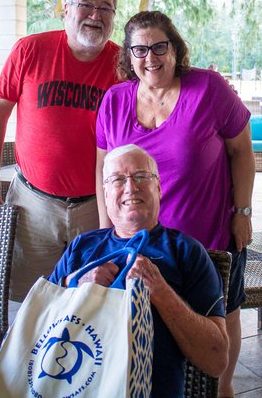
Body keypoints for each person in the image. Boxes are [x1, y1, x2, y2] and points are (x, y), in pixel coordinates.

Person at [95, 11, 255, 397]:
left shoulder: (209, 89)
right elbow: (104, 172)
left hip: (208, 236)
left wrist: (242, 212)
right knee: (156, 321)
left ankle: (224, 388)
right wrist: (105, 235)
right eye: (140, 49)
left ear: (175, 48)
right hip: (139, 243)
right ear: (129, 57)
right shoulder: (115, 101)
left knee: (220, 313)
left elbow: (242, 152)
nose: (150, 57)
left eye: (159, 46)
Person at [0, 0, 120, 302]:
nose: (95, 15)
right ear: (65, 10)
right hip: (32, 206)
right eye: (86, 5)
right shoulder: (30, 49)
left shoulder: (122, 63)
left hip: (96, 208)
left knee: (91, 303)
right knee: (27, 301)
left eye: (105, 8)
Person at [48, 144, 229, 398]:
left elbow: (216, 359)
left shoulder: (186, 252)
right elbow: (40, 312)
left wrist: (161, 291)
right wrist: (76, 283)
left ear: (159, 188)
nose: (131, 187)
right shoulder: (82, 247)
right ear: (106, 194)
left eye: (142, 176)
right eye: (118, 179)